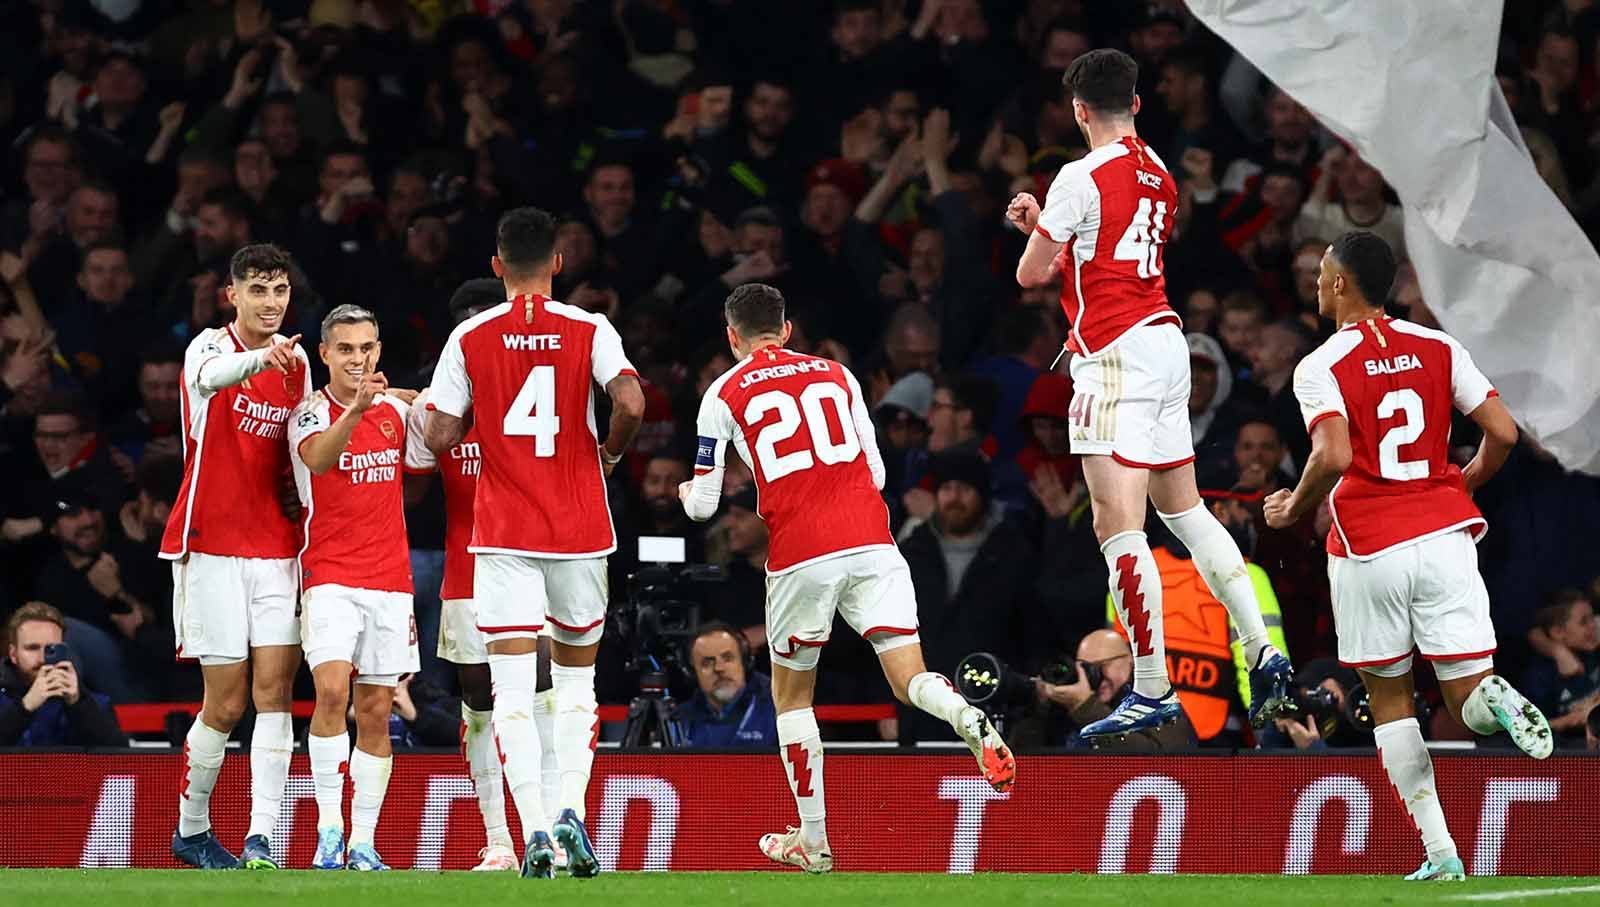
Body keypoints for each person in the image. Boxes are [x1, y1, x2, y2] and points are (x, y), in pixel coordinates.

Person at [679, 282, 1015, 874]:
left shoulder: (721, 393)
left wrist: (689, 490)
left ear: (733, 337)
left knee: (791, 698)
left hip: (800, 553)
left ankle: (813, 839)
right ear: (786, 330)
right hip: (872, 543)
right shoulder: (837, 374)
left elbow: (705, 507)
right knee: (909, 677)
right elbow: (878, 471)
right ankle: (967, 717)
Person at [1006, 48, 1294, 739]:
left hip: (1113, 356)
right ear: (1135, 103)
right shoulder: (1161, 172)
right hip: (1166, 343)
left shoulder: (1079, 175)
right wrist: (1055, 227)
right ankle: (1262, 648)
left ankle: (1153, 685)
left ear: (1079, 111)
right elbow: (1106, 255)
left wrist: (1040, 223)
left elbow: (1029, 274)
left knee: (1117, 526)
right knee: (1186, 510)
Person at [1264, 230, 1552, 882]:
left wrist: (1294, 505)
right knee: (1466, 693)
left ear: (1340, 283)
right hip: (1447, 534)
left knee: (1390, 701)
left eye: (1321, 277)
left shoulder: (1320, 365)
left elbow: (1333, 454)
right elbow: (1503, 432)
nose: (1315, 286)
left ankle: (1443, 852)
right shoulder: (1439, 346)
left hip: (1368, 545)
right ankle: (1496, 695)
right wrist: (1461, 483)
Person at [425, 207, 646, 880]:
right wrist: (608, 452)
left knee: (511, 692)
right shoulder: (590, 327)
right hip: (580, 528)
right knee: (577, 684)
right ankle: (573, 809)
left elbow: (436, 435)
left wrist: (473, 424)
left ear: (497, 266)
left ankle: (537, 835)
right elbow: (632, 401)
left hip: (503, 533)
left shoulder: (470, 335)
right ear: (557, 262)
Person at [160, 243, 310, 871]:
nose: (270, 302)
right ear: (234, 295)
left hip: (276, 547)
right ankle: (192, 831)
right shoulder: (210, 348)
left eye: (279, 290)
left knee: (275, 692)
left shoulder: (297, 362)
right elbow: (211, 381)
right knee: (225, 702)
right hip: (210, 544)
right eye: (258, 289)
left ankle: (261, 839)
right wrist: (258, 361)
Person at [404, 280, 560, 873]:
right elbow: (414, 488)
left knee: (541, 693)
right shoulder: (435, 410)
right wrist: (395, 410)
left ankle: (549, 828)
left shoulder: (539, 392)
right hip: (466, 575)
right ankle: (498, 840)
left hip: (533, 567)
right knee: (480, 706)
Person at [288, 305, 424, 871]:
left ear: (378, 351)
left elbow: (436, 444)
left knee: (376, 709)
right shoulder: (307, 414)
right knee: (331, 694)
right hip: (329, 577)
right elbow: (320, 461)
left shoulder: (394, 411)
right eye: (345, 349)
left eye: (366, 348)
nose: (357, 358)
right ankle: (328, 831)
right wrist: (360, 410)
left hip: (391, 581)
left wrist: (419, 399)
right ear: (324, 354)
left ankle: (364, 842)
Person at [1036, 629, 1196, 751]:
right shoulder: (1071, 706)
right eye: (1087, 669)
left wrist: (1086, 707)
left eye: (1103, 666)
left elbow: (1164, 759)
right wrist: (1039, 709)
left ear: (1130, 661)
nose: (1096, 676)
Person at [0, 602, 125, 747]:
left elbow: (119, 760)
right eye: (32, 648)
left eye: (51, 649)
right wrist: (24, 708)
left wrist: (78, 705)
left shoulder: (95, 704)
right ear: (13, 654)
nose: (42, 659)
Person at [675, 622, 779, 748]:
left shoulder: (777, 709)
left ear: (745, 662)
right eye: (707, 663)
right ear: (691, 673)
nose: (719, 668)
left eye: (728, 658)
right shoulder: (679, 720)